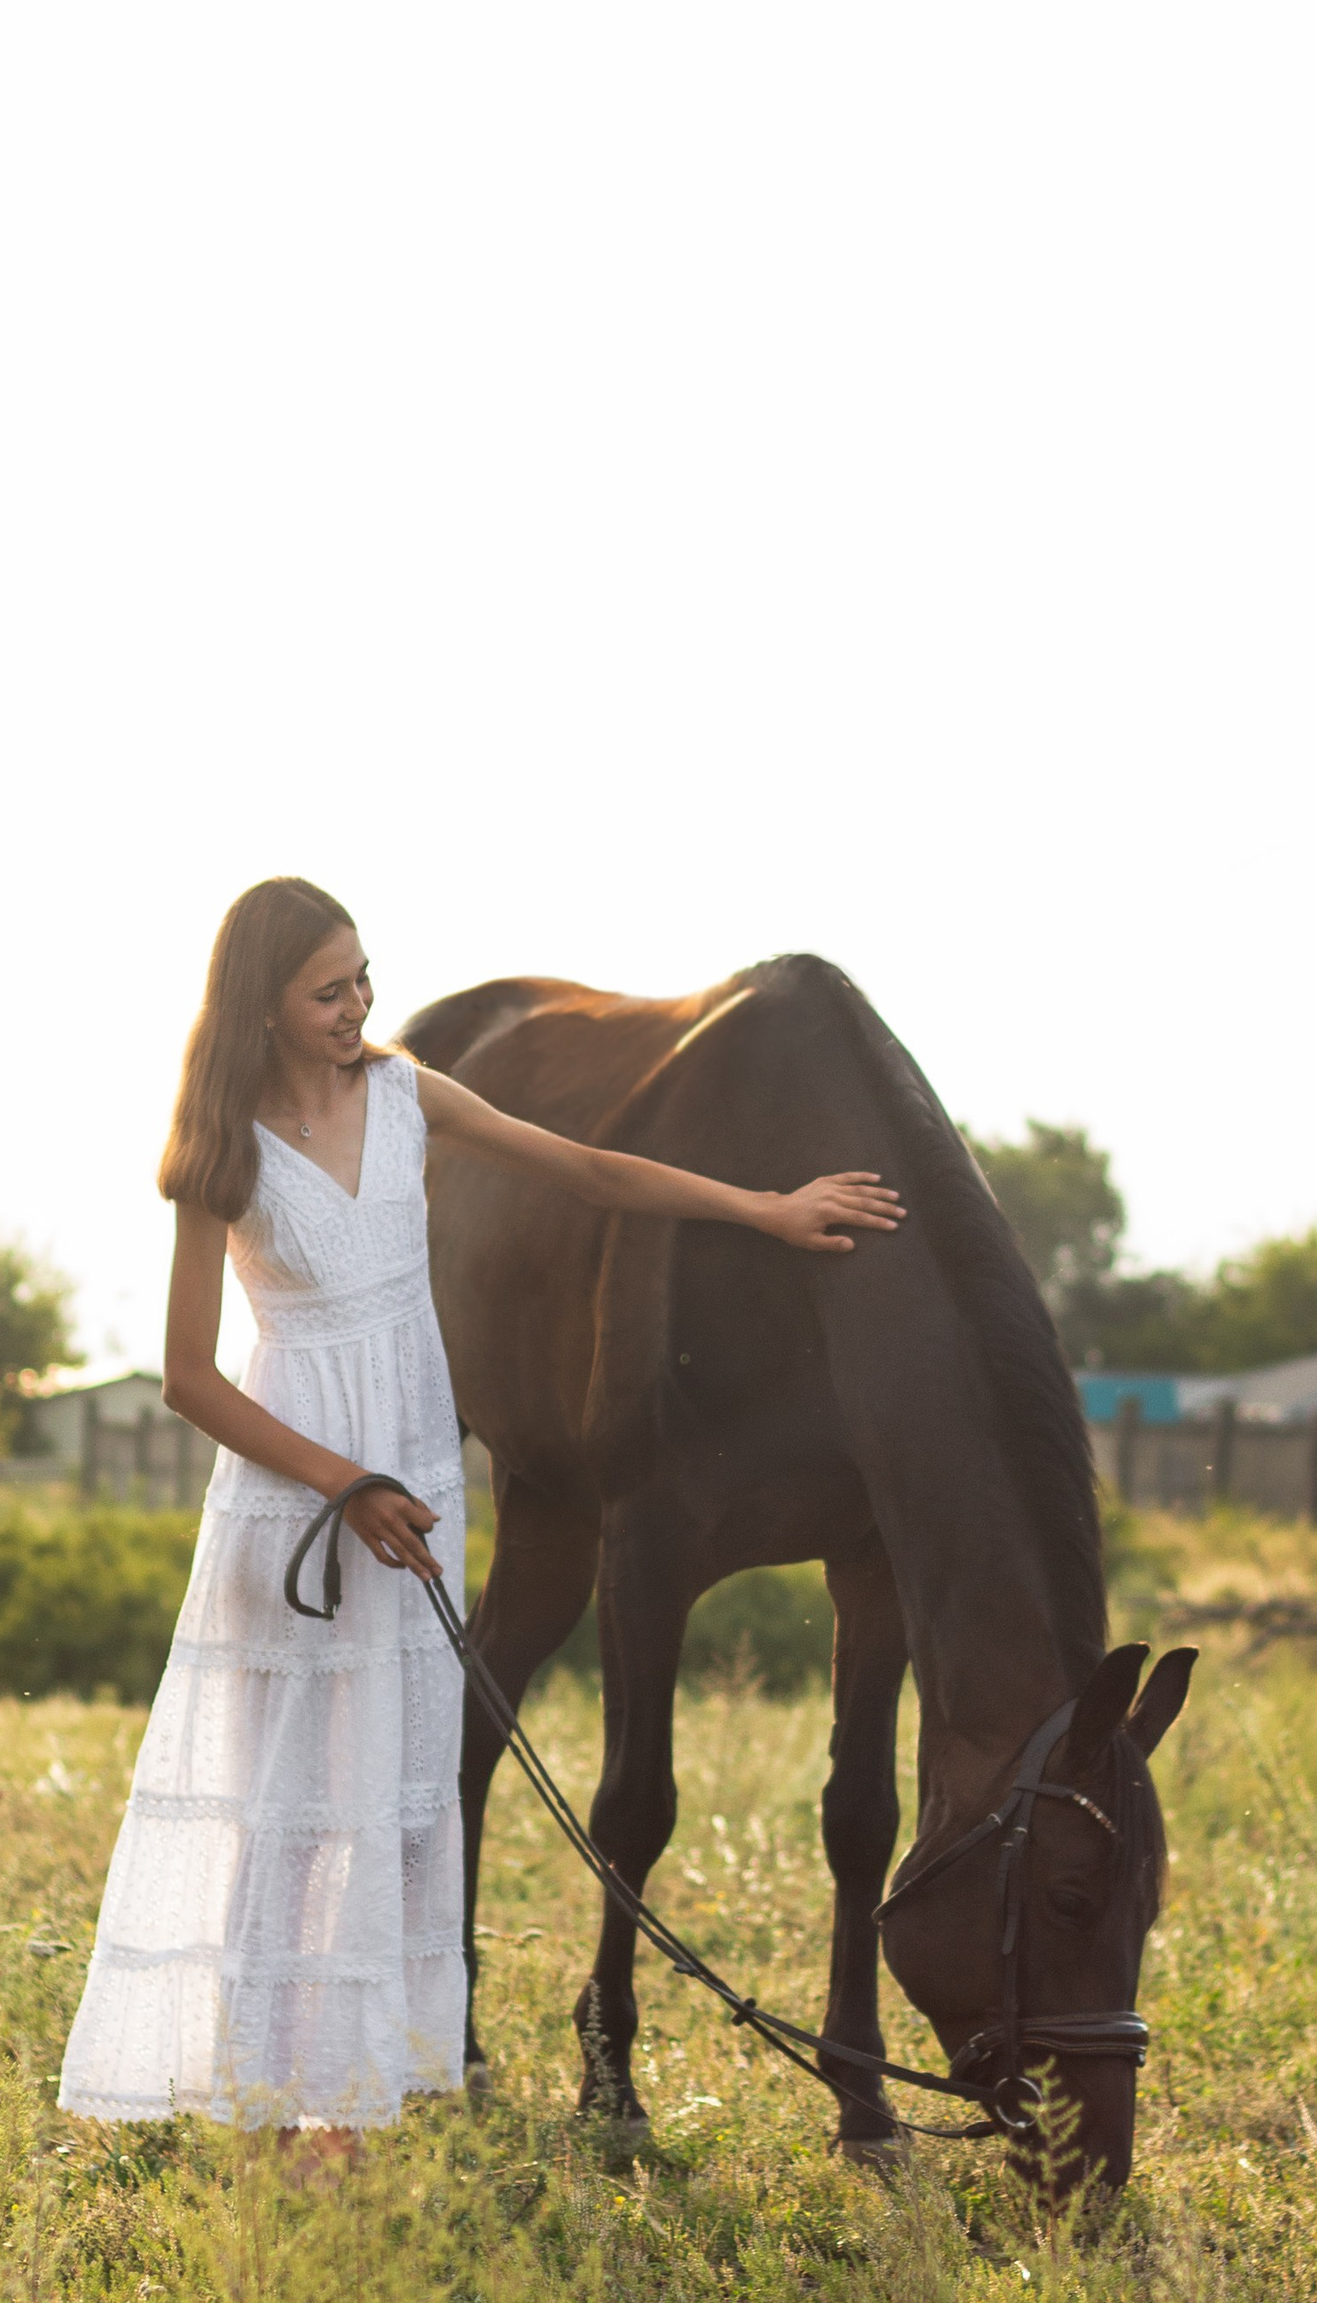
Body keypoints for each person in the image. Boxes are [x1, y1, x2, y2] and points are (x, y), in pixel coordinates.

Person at [56, 875, 904, 2158]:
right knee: (293, 1810)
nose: (358, 1005)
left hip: (413, 1476)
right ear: (262, 1005)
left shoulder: (406, 1092)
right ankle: (276, 2108)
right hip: (305, 1493)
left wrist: (766, 1209)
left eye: (362, 976)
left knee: (392, 1794)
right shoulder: (221, 1148)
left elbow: (589, 1170)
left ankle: (345, 2099)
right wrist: (341, 1483)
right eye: (327, 990)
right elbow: (187, 1376)